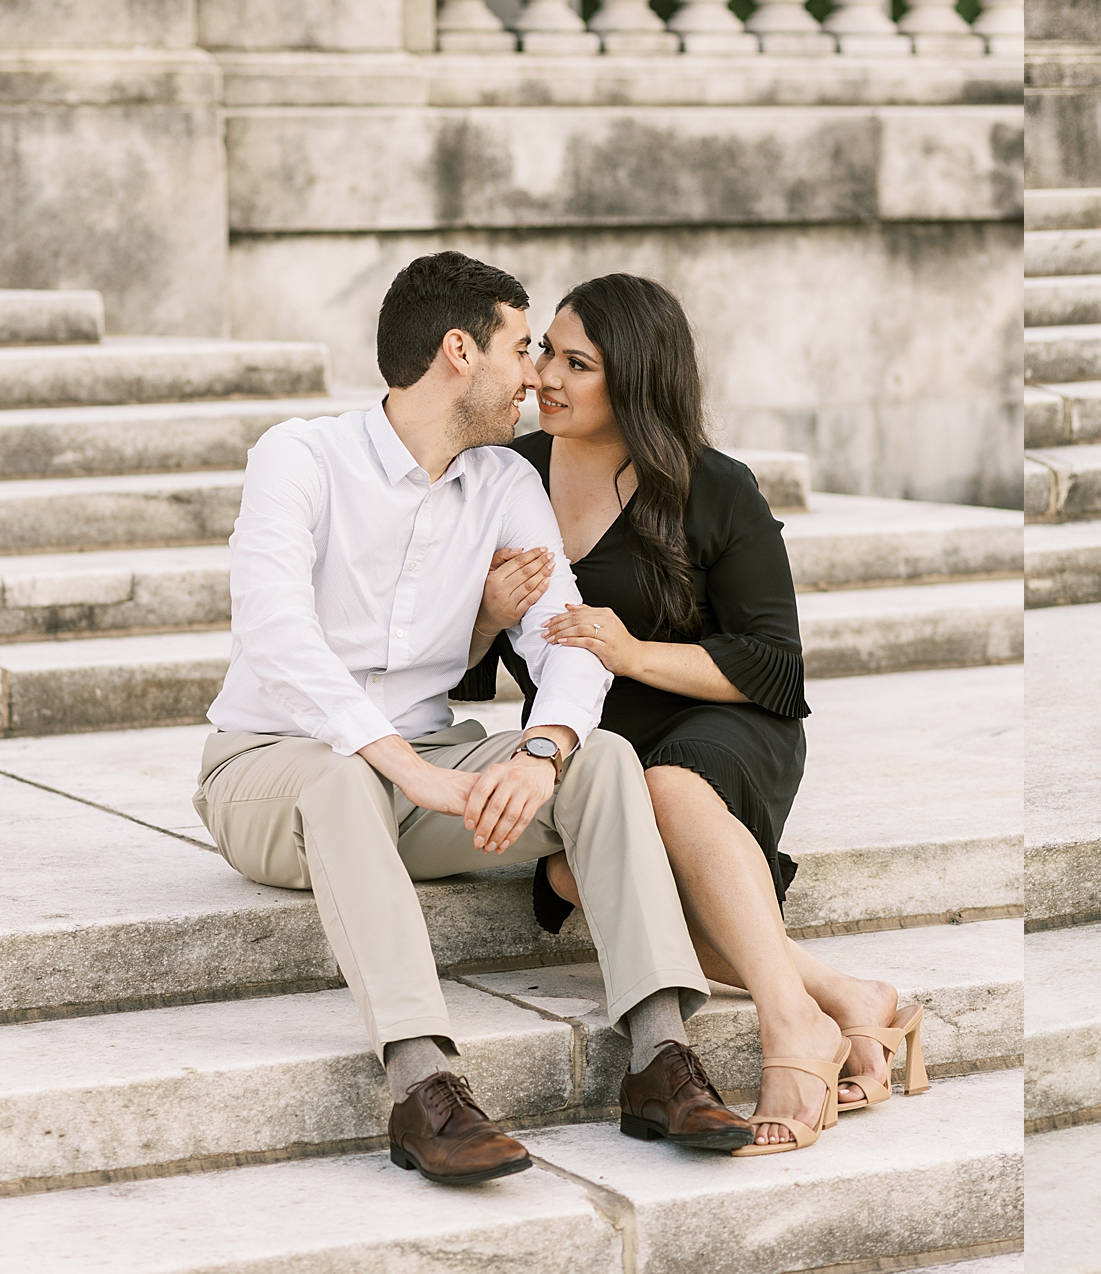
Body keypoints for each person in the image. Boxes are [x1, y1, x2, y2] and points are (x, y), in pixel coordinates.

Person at [195, 252, 766, 1185]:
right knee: (343, 777)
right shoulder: (300, 457)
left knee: (603, 758)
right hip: (271, 768)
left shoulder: (504, 483)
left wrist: (543, 749)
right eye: (521, 347)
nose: (534, 375)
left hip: (424, 773)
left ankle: (659, 1060)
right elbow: (277, 635)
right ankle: (423, 1087)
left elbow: (567, 635)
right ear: (459, 352)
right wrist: (406, 766)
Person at [456, 272, 923, 1156]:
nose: (544, 375)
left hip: (725, 724)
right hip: (596, 745)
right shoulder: (508, 476)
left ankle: (791, 1023)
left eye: (577, 363)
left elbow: (776, 666)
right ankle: (847, 996)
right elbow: (467, 669)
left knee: (668, 786)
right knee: (589, 874)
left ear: (635, 378)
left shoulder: (716, 487)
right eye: (546, 351)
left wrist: (631, 653)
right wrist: (483, 614)